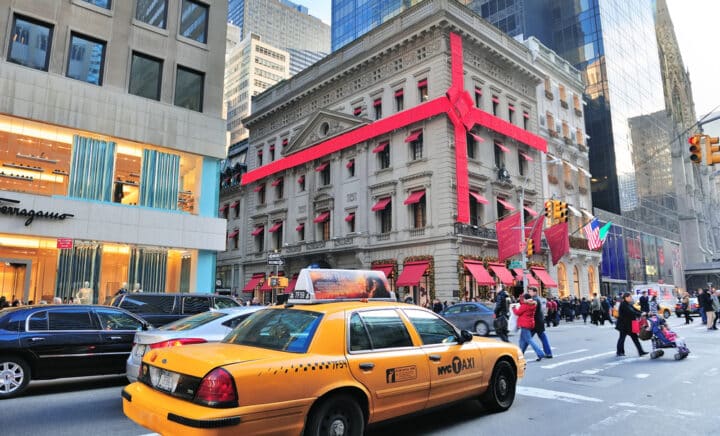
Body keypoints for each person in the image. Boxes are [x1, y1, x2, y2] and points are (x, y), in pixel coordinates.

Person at [512, 294, 545, 361]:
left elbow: (517, 313)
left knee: (529, 340)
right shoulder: (532, 304)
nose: (522, 299)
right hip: (529, 323)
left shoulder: (525, 305)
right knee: (522, 340)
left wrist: (513, 308)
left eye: (523, 298)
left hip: (524, 324)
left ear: (525, 299)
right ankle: (520, 354)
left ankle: (540, 353)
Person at [615, 292, 648, 357]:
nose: (631, 298)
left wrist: (643, 313)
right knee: (622, 338)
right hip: (623, 325)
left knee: (635, 338)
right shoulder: (623, 304)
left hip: (630, 324)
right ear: (626, 297)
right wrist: (640, 314)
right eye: (630, 297)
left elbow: (635, 309)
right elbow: (631, 312)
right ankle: (619, 352)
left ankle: (641, 351)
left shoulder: (629, 304)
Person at [528, 287, 553, 358]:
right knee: (542, 338)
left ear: (535, 292)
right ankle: (548, 353)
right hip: (539, 322)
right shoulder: (539, 299)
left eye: (530, 291)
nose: (529, 293)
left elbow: (532, 312)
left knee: (526, 339)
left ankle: (541, 353)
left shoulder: (535, 299)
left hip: (535, 322)